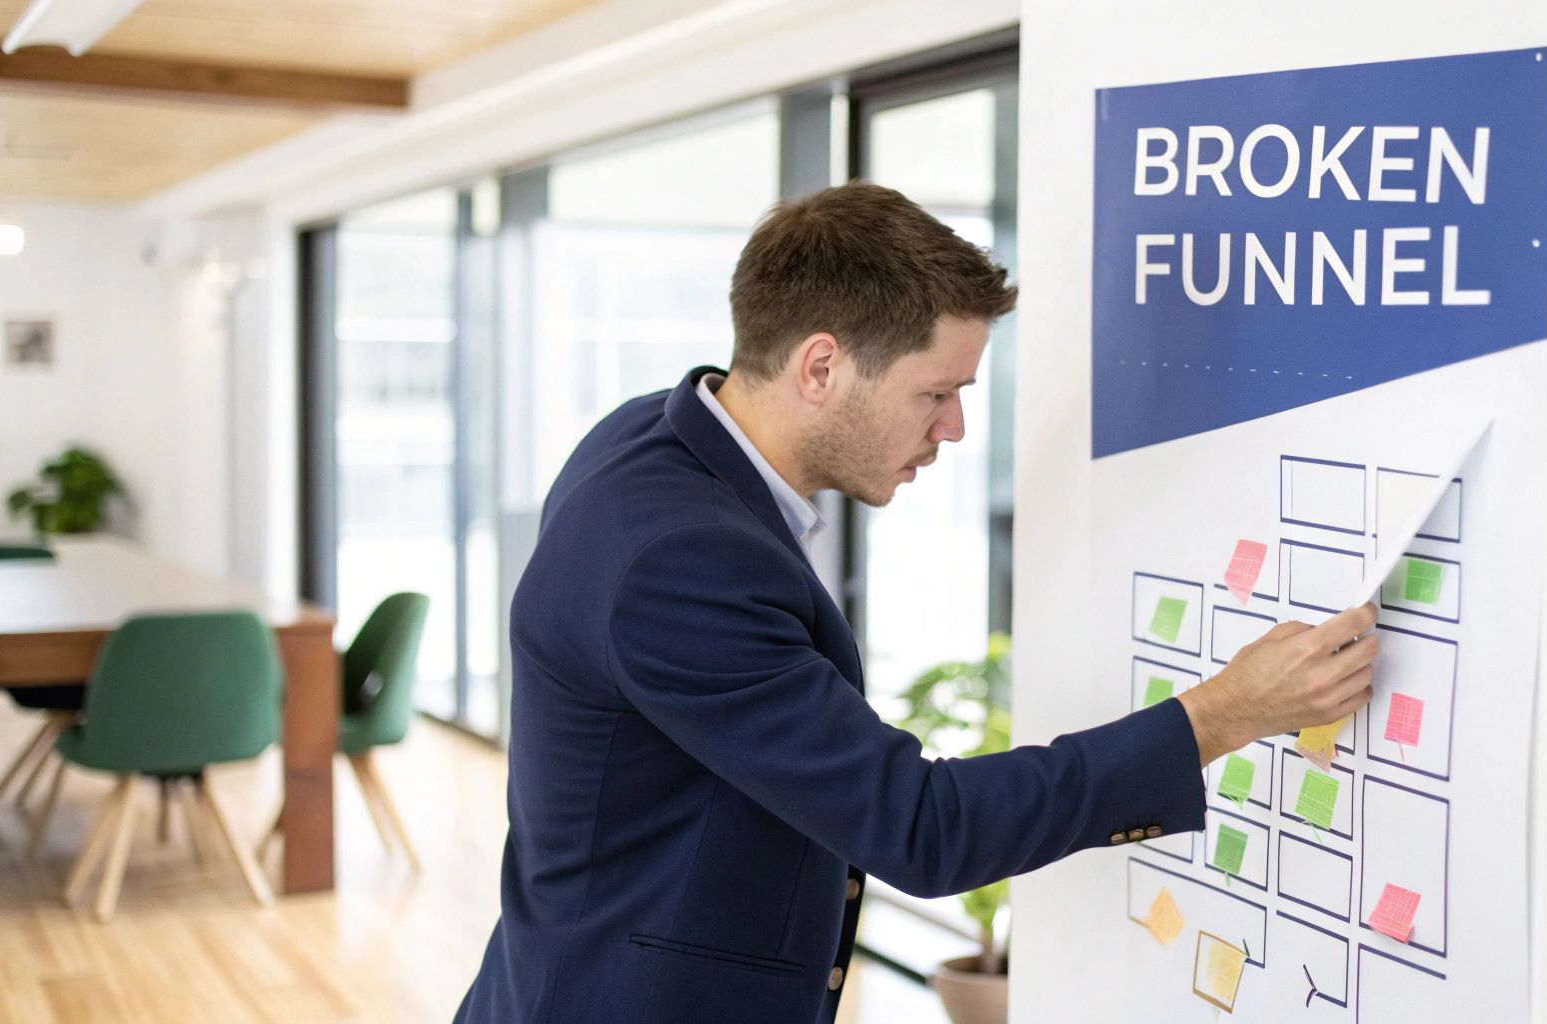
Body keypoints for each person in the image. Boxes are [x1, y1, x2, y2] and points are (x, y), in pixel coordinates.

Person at [454, 181, 1378, 1024]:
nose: (954, 428)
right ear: (820, 368)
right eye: (934, 392)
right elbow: (922, 828)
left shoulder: (650, 437)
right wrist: (1224, 714)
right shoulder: (681, 561)